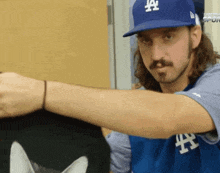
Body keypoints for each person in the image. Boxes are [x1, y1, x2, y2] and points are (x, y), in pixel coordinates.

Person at [0, 0, 220, 172]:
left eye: (168, 36)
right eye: (145, 40)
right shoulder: (135, 120)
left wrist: (42, 92)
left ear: (195, 36)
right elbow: (98, 161)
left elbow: (169, 116)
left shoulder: (215, 84)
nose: (156, 55)